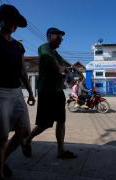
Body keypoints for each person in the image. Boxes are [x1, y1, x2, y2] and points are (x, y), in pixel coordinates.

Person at [22, 27, 77, 159]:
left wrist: (70, 70)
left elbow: (64, 65)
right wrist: (66, 71)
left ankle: (61, 151)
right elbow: (57, 67)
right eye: (58, 37)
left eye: (61, 38)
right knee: (45, 123)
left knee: (61, 121)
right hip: (46, 91)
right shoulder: (44, 48)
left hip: (58, 91)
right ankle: (26, 141)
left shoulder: (55, 52)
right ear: (49, 36)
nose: (61, 40)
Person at [0, 4, 36, 179]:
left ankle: (2, 159)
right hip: (0, 92)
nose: (13, 25)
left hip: (17, 92)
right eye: (11, 21)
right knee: (2, 137)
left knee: (24, 130)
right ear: (2, 20)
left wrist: (30, 92)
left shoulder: (18, 46)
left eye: (16, 23)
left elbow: (22, 71)